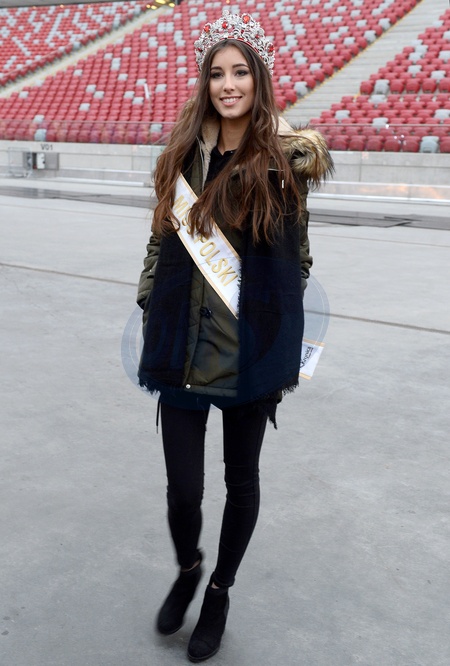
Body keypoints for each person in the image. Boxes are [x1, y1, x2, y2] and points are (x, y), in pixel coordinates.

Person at [136, 10, 333, 663]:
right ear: (205, 83)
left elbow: (298, 259)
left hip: (249, 353)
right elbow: (159, 239)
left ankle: (218, 592)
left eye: (239, 72)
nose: (228, 84)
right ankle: (189, 567)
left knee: (240, 481)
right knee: (183, 491)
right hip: (181, 345)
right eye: (217, 73)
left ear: (258, 81)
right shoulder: (180, 156)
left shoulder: (282, 163)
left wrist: (276, 326)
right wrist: (149, 299)